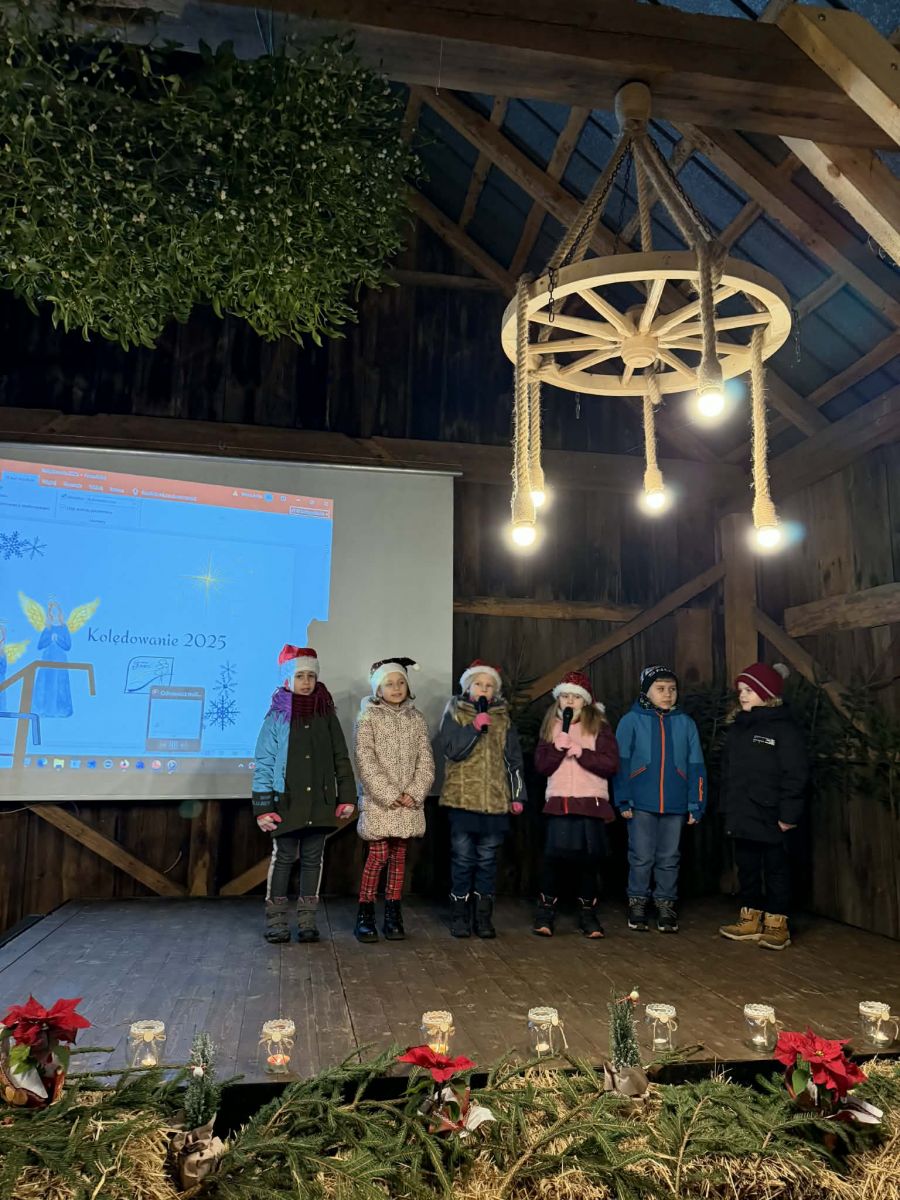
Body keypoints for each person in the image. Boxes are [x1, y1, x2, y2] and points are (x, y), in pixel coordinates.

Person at [251, 645, 356, 944]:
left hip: (320, 802)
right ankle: (276, 920)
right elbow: (264, 763)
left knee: (313, 859)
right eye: (300, 676)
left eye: (311, 676)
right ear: (288, 680)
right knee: (283, 857)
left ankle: (307, 920)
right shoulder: (276, 718)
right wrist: (262, 807)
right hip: (286, 802)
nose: (306, 682)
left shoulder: (326, 715)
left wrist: (346, 796)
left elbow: (340, 757)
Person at [718, 662, 808, 951]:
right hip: (743, 814)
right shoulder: (738, 728)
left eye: (749, 690)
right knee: (747, 867)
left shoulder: (784, 730)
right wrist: (727, 808)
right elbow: (728, 772)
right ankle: (750, 919)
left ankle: (777, 924)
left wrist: (788, 815)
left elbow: (795, 774)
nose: (742, 695)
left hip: (772, 815)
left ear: (768, 693)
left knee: (776, 869)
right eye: (741, 690)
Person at [614, 665, 706, 934]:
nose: (667, 694)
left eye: (672, 689)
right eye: (661, 689)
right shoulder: (631, 721)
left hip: (676, 803)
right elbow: (621, 763)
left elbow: (696, 765)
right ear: (646, 691)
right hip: (640, 803)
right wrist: (623, 799)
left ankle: (666, 904)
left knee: (669, 857)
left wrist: (696, 803)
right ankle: (638, 902)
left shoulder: (685, 723)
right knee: (641, 856)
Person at [438, 659, 526, 939]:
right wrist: (474, 728)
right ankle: (459, 917)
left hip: (495, 803)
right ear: (468, 687)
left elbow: (514, 761)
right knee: (463, 859)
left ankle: (483, 917)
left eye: (489, 685)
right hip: (463, 801)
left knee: (487, 861)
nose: (484, 689)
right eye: (478, 684)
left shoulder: (503, 719)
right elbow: (452, 750)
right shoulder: (455, 713)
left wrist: (517, 795)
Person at [353, 656, 435, 944]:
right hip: (381, 803)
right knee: (378, 857)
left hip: (408, 803)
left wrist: (414, 792)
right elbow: (365, 760)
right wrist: (389, 794)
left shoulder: (417, 719)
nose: (397, 688)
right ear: (378, 689)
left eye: (401, 682)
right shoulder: (368, 718)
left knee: (399, 858)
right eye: (389, 684)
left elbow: (426, 760)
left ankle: (393, 913)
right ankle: (365, 913)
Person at [532, 671, 619, 939]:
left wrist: (581, 753)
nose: (570, 701)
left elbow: (610, 764)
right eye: (565, 696)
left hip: (590, 803)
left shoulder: (599, 727)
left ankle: (587, 915)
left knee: (588, 861)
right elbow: (542, 766)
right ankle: (545, 913)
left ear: (586, 701)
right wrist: (556, 749)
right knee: (553, 860)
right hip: (560, 802)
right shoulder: (551, 727)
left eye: (576, 697)